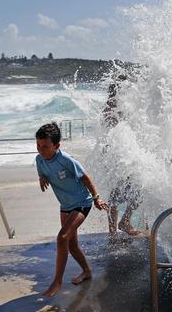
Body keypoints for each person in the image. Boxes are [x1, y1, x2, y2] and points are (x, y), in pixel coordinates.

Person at [35, 122, 108, 297]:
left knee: (62, 237)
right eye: (38, 145)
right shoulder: (39, 160)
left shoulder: (66, 160)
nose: (40, 150)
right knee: (72, 245)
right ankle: (87, 271)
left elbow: (86, 178)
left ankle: (57, 282)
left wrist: (97, 198)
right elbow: (43, 172)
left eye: (45, 146)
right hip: (65, 206)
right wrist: (42, 178)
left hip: (82, 202)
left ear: (56, 146)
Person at [102, 79, 144, 237]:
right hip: (116, 155)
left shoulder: (121, 106)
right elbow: (111, 128)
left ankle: (122, 223)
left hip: (124, 154)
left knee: (137, 191)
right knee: (116, 195)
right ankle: (114, 230)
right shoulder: (111, 107)